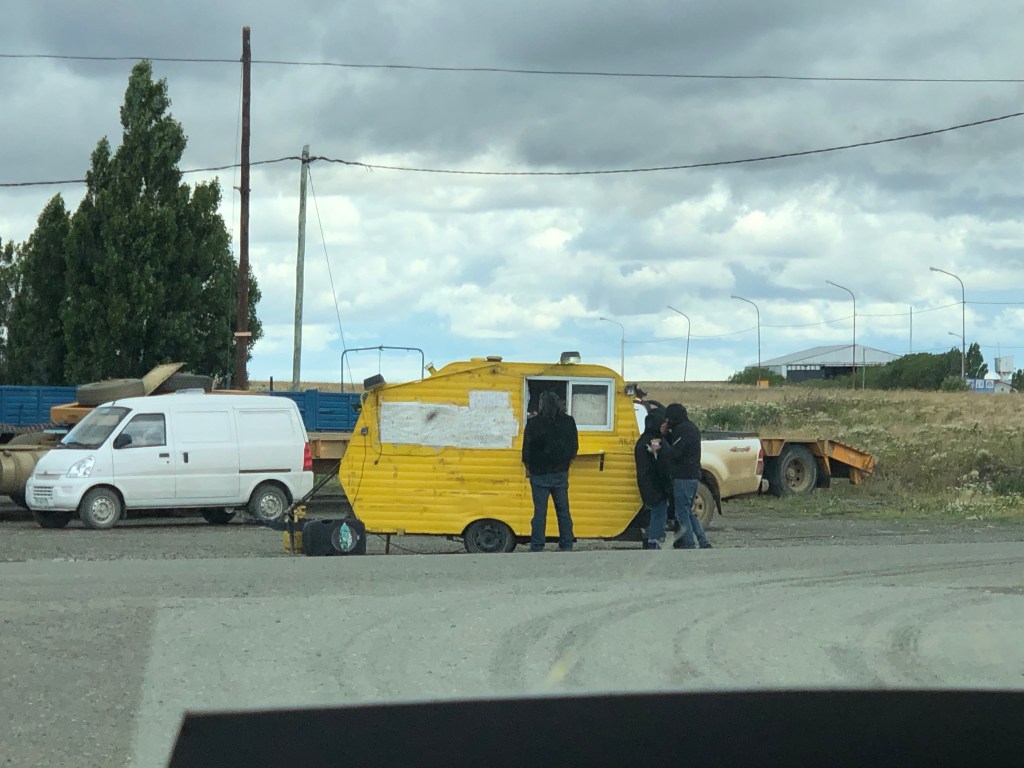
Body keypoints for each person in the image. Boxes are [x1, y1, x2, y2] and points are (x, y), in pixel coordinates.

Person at [522, 391, 579, 551]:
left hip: (539, 473)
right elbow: (574, 447)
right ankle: (566, 543)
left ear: (541, 405)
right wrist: (566, 464)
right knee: (563, 510)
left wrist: (529, 468)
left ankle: (537, 545)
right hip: (560, 472)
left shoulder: (533, 423)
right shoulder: (568, 421)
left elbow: (527, 450)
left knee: (539, 512)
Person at [659, 403, 712, 550]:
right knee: (688, 511)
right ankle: (703, 541)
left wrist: (661, 441)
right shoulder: (691, 428)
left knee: (681, 513)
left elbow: (674, 453)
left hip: (683, 476)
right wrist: (667, 434)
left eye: (668, 418)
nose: (667, 421)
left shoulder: (682, 430)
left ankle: (689, 543)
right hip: (693, 475)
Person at [635, 410, 670, 550]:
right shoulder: (654, 441)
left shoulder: (643, 440)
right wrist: (667, 485)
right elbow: (661, 465)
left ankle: (652, 540)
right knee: (659, 514)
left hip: (646, 484)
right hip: (655, 485)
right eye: (662, 424)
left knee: (654, 514)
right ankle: (654, 541)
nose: (664, 427)